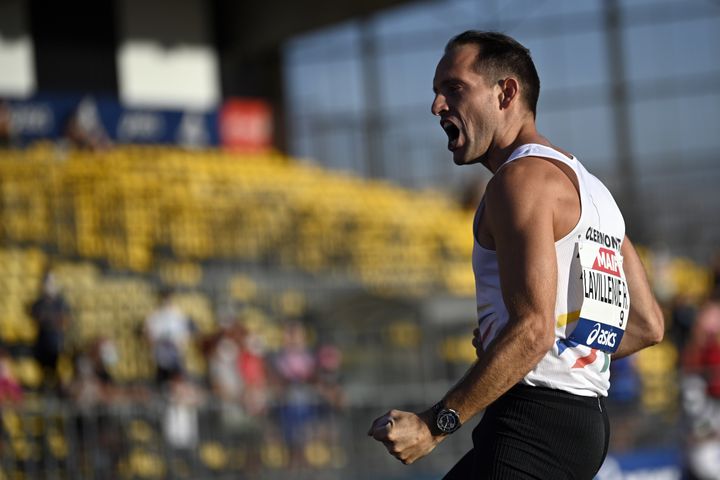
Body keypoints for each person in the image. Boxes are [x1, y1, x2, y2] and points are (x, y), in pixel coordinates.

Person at [368, 31, 664, 479]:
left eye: (454, 88)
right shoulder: (593, 190)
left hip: (532, 425)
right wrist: (540, 355)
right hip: (581, 426)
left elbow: (533, 331)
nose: (437, 106)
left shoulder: (518, 180)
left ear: (505, 92)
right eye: (435, 91)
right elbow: (646, 326)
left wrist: (435, 424)